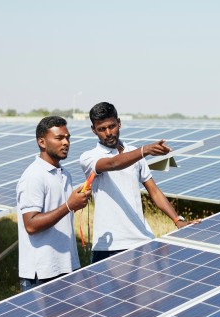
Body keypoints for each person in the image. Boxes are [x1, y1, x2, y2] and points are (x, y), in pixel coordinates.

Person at [80, 102, 201, 263]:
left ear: (119, 123)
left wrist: (177, 220)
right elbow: (113, 163)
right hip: (109, 246)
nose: (108, 133)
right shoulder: (89, 157)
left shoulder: (134, 153)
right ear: (93, 130)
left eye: (112, 126)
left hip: (142, 240)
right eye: (101, 129)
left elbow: (154, 191)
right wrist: (145, 151)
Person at [16, 116, 91, 291]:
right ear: (42, 142)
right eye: (59, 138)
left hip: (65, 267)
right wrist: (68, 205)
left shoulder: (65, 174)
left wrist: (75, 202)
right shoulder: (34, 176)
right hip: (41, 274)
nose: (66, 142)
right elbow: (31, 225)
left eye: (68, 137)